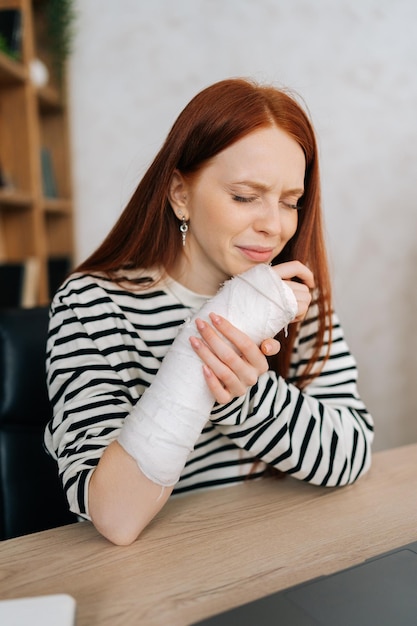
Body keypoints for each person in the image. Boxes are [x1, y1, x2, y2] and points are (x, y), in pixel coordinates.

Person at [45, 78, 374, 546]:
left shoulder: (291, 297)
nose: (273, 225)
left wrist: (246, 396)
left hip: (281, 550)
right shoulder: (92, 305)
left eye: (290, 202)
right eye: (244, 196)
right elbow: (114, 517)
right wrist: (205, 361)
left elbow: (351, 455)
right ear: (180, 193)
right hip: (161, 577)